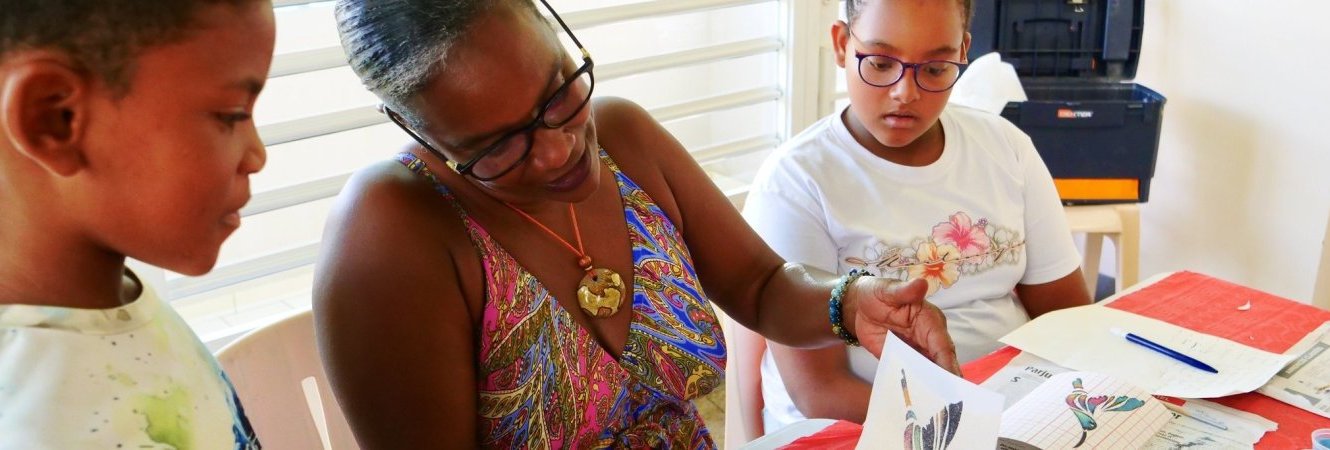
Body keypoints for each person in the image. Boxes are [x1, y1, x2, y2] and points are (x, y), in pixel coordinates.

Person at [314, 0, 961, 448]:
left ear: (554, 27)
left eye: (558, 91)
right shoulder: (393, 233)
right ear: (415, 130)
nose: (557, 149)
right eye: (496, 145)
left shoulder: (623, 137)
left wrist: (848, 303)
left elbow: (759, 286)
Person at [741, 0, 1093, 433]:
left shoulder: (1006, 148)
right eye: (881, 62)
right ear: (840, 44)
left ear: (963, 51)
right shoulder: (798, 180)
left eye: (935, 68)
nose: (904, 92)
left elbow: (1069, 319)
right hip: (862, 423)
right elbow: (820, 391)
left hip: (1010, 409)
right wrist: (972, 428)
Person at [0, 1, 274, 448]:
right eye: (232, 115)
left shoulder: (109, 304)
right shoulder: (39, 422)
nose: (257, 155)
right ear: (54, 118)